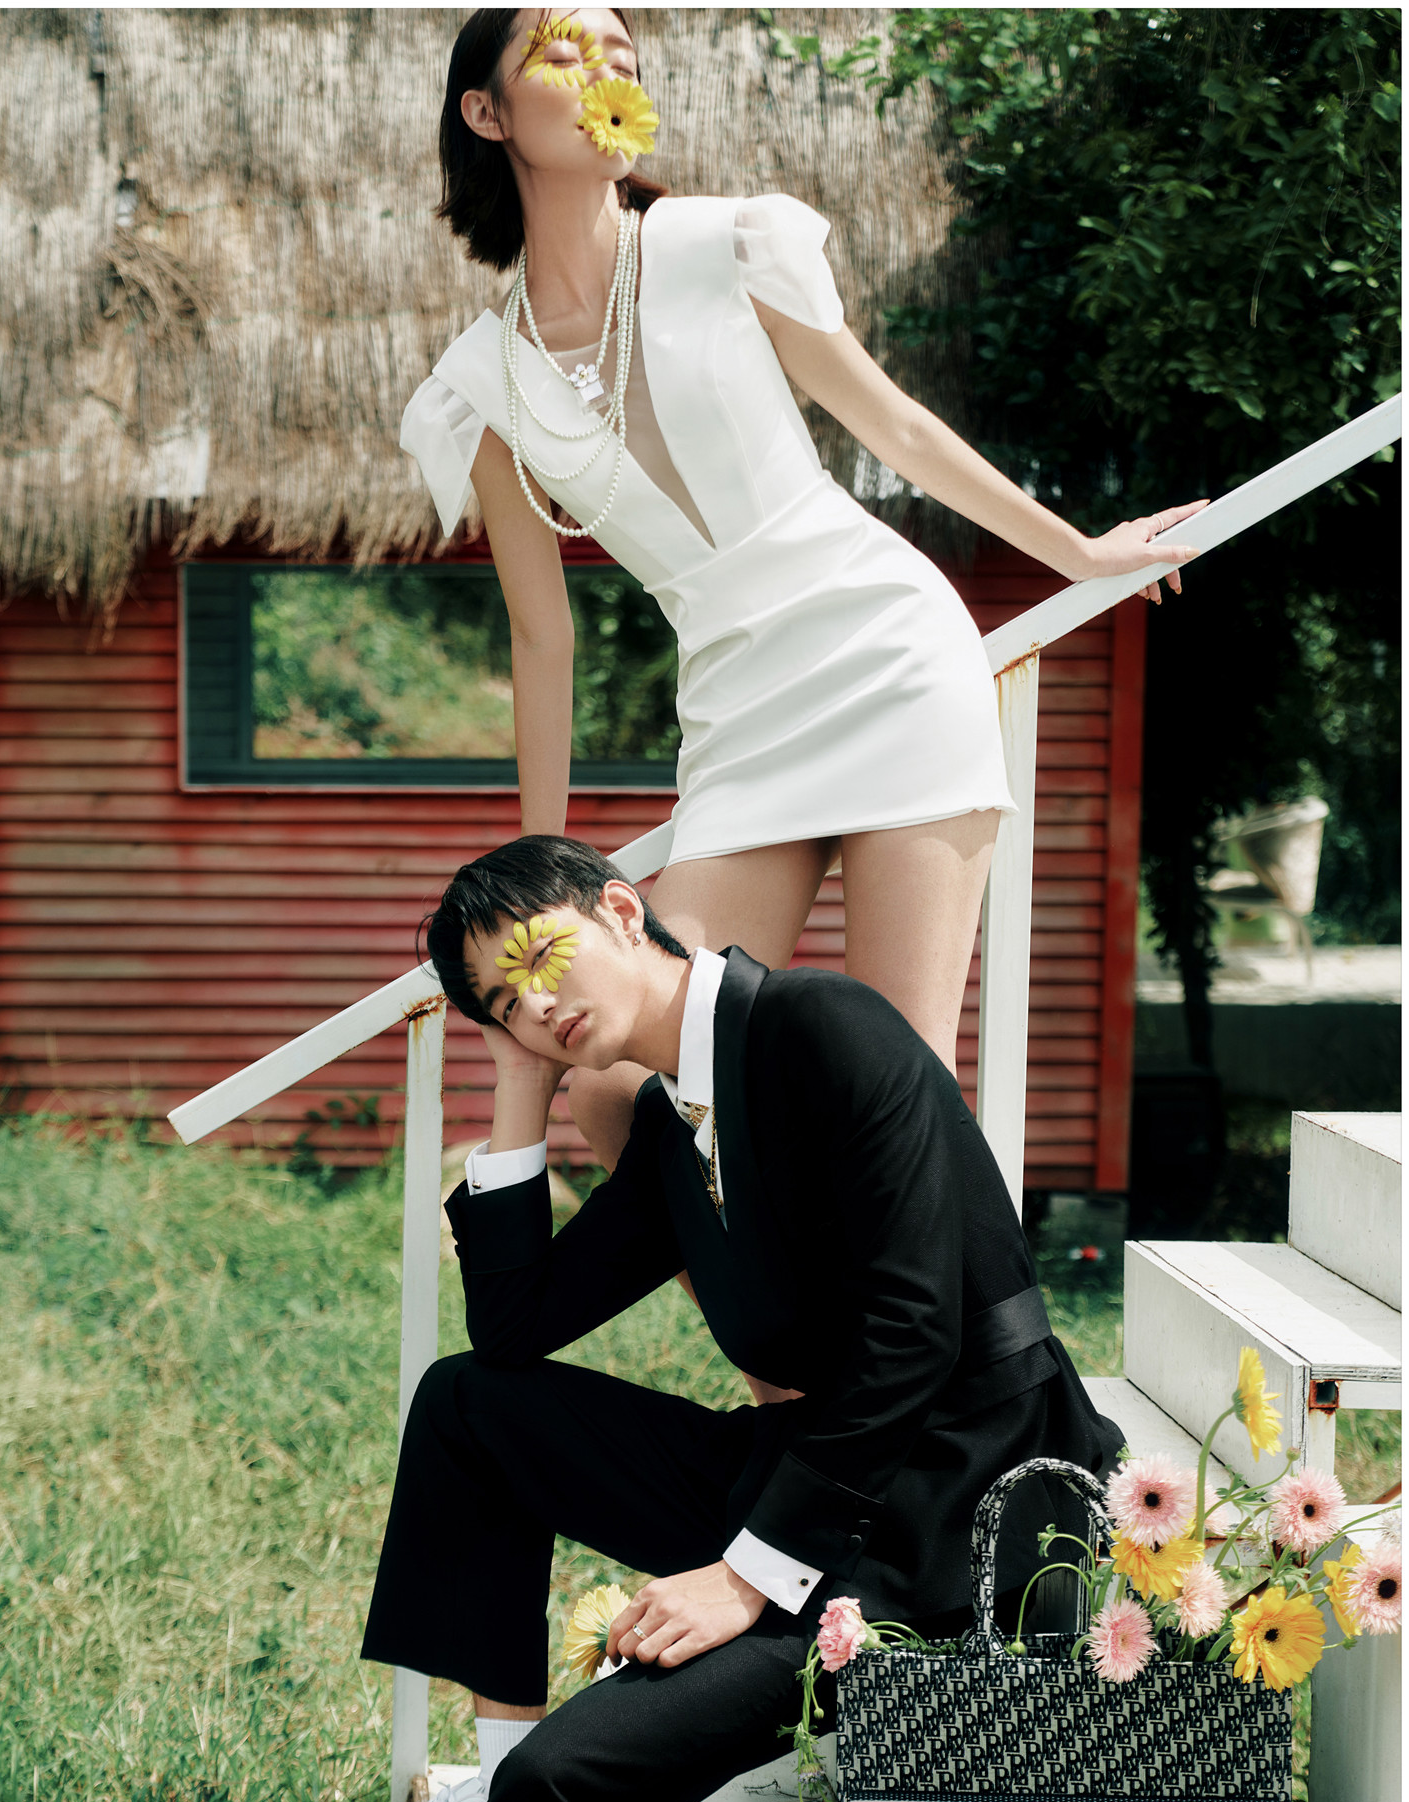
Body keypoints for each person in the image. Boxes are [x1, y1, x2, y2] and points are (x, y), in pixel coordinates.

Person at [164, 835, 1123, 1802]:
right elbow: (517, 1327)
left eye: (541, 961)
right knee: (473, 1408)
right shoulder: (684, 1124)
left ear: (623, 909)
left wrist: (744, 1578)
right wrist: (520, 1082)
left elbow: (917, 1336)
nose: (536, 1004)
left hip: (950, 1531)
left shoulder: (824, 1030)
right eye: (503, 1003)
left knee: (576, 1779)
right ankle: (493, 1790)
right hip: (820, 1480)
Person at [400, 6, 1204, 1184]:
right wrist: (543, 881)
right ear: (487, 112)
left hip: (887, 651)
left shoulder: (726, 244)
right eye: (563, 54)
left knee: (899, 1086)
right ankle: (777, 1319)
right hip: (738, 713)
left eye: (622, 56)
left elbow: (896, 428)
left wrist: (1077, 553)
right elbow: (541, 635)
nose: (605, 70)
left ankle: (903, 1312)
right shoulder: (483, 384)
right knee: (625, 1095)